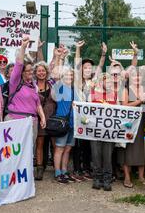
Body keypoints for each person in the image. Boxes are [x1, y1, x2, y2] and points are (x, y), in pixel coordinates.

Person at [72, 40, 107, 181]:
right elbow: (76, 64)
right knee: (77, 143)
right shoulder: (77, 80)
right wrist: (78, 49)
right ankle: (76, 169)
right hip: (78, 115)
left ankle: (86, 168)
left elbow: (100, 66)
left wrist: (104, 53)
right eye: (85, 67)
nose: (87, 69)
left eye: (89, 67)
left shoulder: (94, 81)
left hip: (90, 116)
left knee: (87, 143)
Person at [6, 37, 46, 152]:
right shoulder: (15, 83)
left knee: (28, 151)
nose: (31, 72)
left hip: (32, 122)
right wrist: (23, 47)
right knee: (14, 150)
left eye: (31, 70)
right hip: (16, 120)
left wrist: (42, 117)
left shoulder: (33, 85)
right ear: (22, 72)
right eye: (28, 71)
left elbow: (37, 103)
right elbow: (18, 65)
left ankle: (27, 170)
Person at [121, 66, 145, 188]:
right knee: (128, 149)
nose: (137, 78)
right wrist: (140, 101)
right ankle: (127, 177)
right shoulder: (126, 90)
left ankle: (141, 176)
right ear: (130, 77)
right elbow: (125, 105)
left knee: (144, 148)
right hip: (130, 123)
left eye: (140, 76)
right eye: (134, 75)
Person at [89, 72, 119, 191]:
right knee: (96, 155)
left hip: (109, 131)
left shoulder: (115, 95)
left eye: (110, 81)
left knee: (107, 156)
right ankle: (97, 178)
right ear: (100, 82)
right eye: (106, 81)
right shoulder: (92, 94)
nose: (109, 83)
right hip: (94, 130)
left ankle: (107, 179)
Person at [51, 65, 77, 184]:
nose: (69, 77)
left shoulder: (74, 90)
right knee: (60, 148)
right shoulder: (59, 87)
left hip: (72, 123)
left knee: (68, 149)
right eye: (67, 75)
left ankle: (64, 171)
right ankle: (57, 172)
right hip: (62, 122)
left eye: (71, 75)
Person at [33, 61, 56, 180]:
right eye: (39, 71)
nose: (41, 73)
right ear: (35, 73)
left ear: (46, 72)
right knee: (40, 144)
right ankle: (39, 169)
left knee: (54, 144)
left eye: (43, 71)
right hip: (39, 118)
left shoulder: (52, 83)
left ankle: (58, 169)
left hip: (52, 118)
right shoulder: (32, 85)